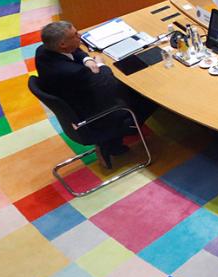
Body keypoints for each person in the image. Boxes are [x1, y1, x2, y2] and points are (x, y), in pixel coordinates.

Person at [35, 20, 155, 167]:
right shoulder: (73, 72)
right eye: (75, 35)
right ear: (62, 44)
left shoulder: (43, 51)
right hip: (92, 113)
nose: (79, 36)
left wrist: (87, 59)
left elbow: (75, 50)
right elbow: (106, 81)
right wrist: (100, 63)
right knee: (147, 96)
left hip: (74, 102)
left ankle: (112, 143)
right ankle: (116, 136)